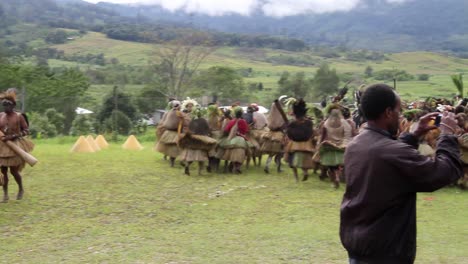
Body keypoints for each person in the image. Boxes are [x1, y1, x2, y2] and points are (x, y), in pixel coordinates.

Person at [340, 84, 463, 264]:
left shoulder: (356, 144)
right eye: (398, 111)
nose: (400, 116)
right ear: (388, 112)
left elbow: (390, 157)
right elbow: (442, 173)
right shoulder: (389, 151)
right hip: (384, 253)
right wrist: (447, 134)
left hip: (360, 246)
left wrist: (413, 135)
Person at [0, 92, 34, 202]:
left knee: (14, 171)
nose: (5, 107)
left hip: (15, 145)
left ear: (13, 105)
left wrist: (12, 136)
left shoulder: (19, 116)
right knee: (3, 171)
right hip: (2, 146)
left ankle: (20, 189)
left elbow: (26, 131)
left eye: (7, 105)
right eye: (3, 105)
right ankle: (5, 194)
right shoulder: (1, 116)